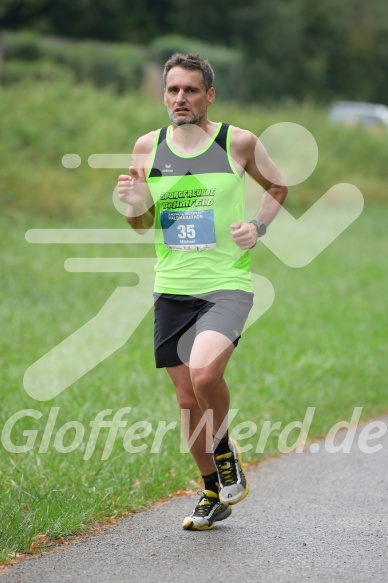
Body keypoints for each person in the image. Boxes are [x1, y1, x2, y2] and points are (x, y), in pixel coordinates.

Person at [117, 53, 287, 531]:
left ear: (209, 95)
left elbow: (278, 186)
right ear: (163, 94)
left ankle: (224, 446)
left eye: (191, 90)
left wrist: (257, 226)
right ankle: (212, 491)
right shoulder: (147, 147)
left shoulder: (238, 142)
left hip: (226, 283)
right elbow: (141, 223)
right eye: (173, 90)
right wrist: (132, 207)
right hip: (172, 287)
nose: (180, 99)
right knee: (188, 403)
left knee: (205, 374)